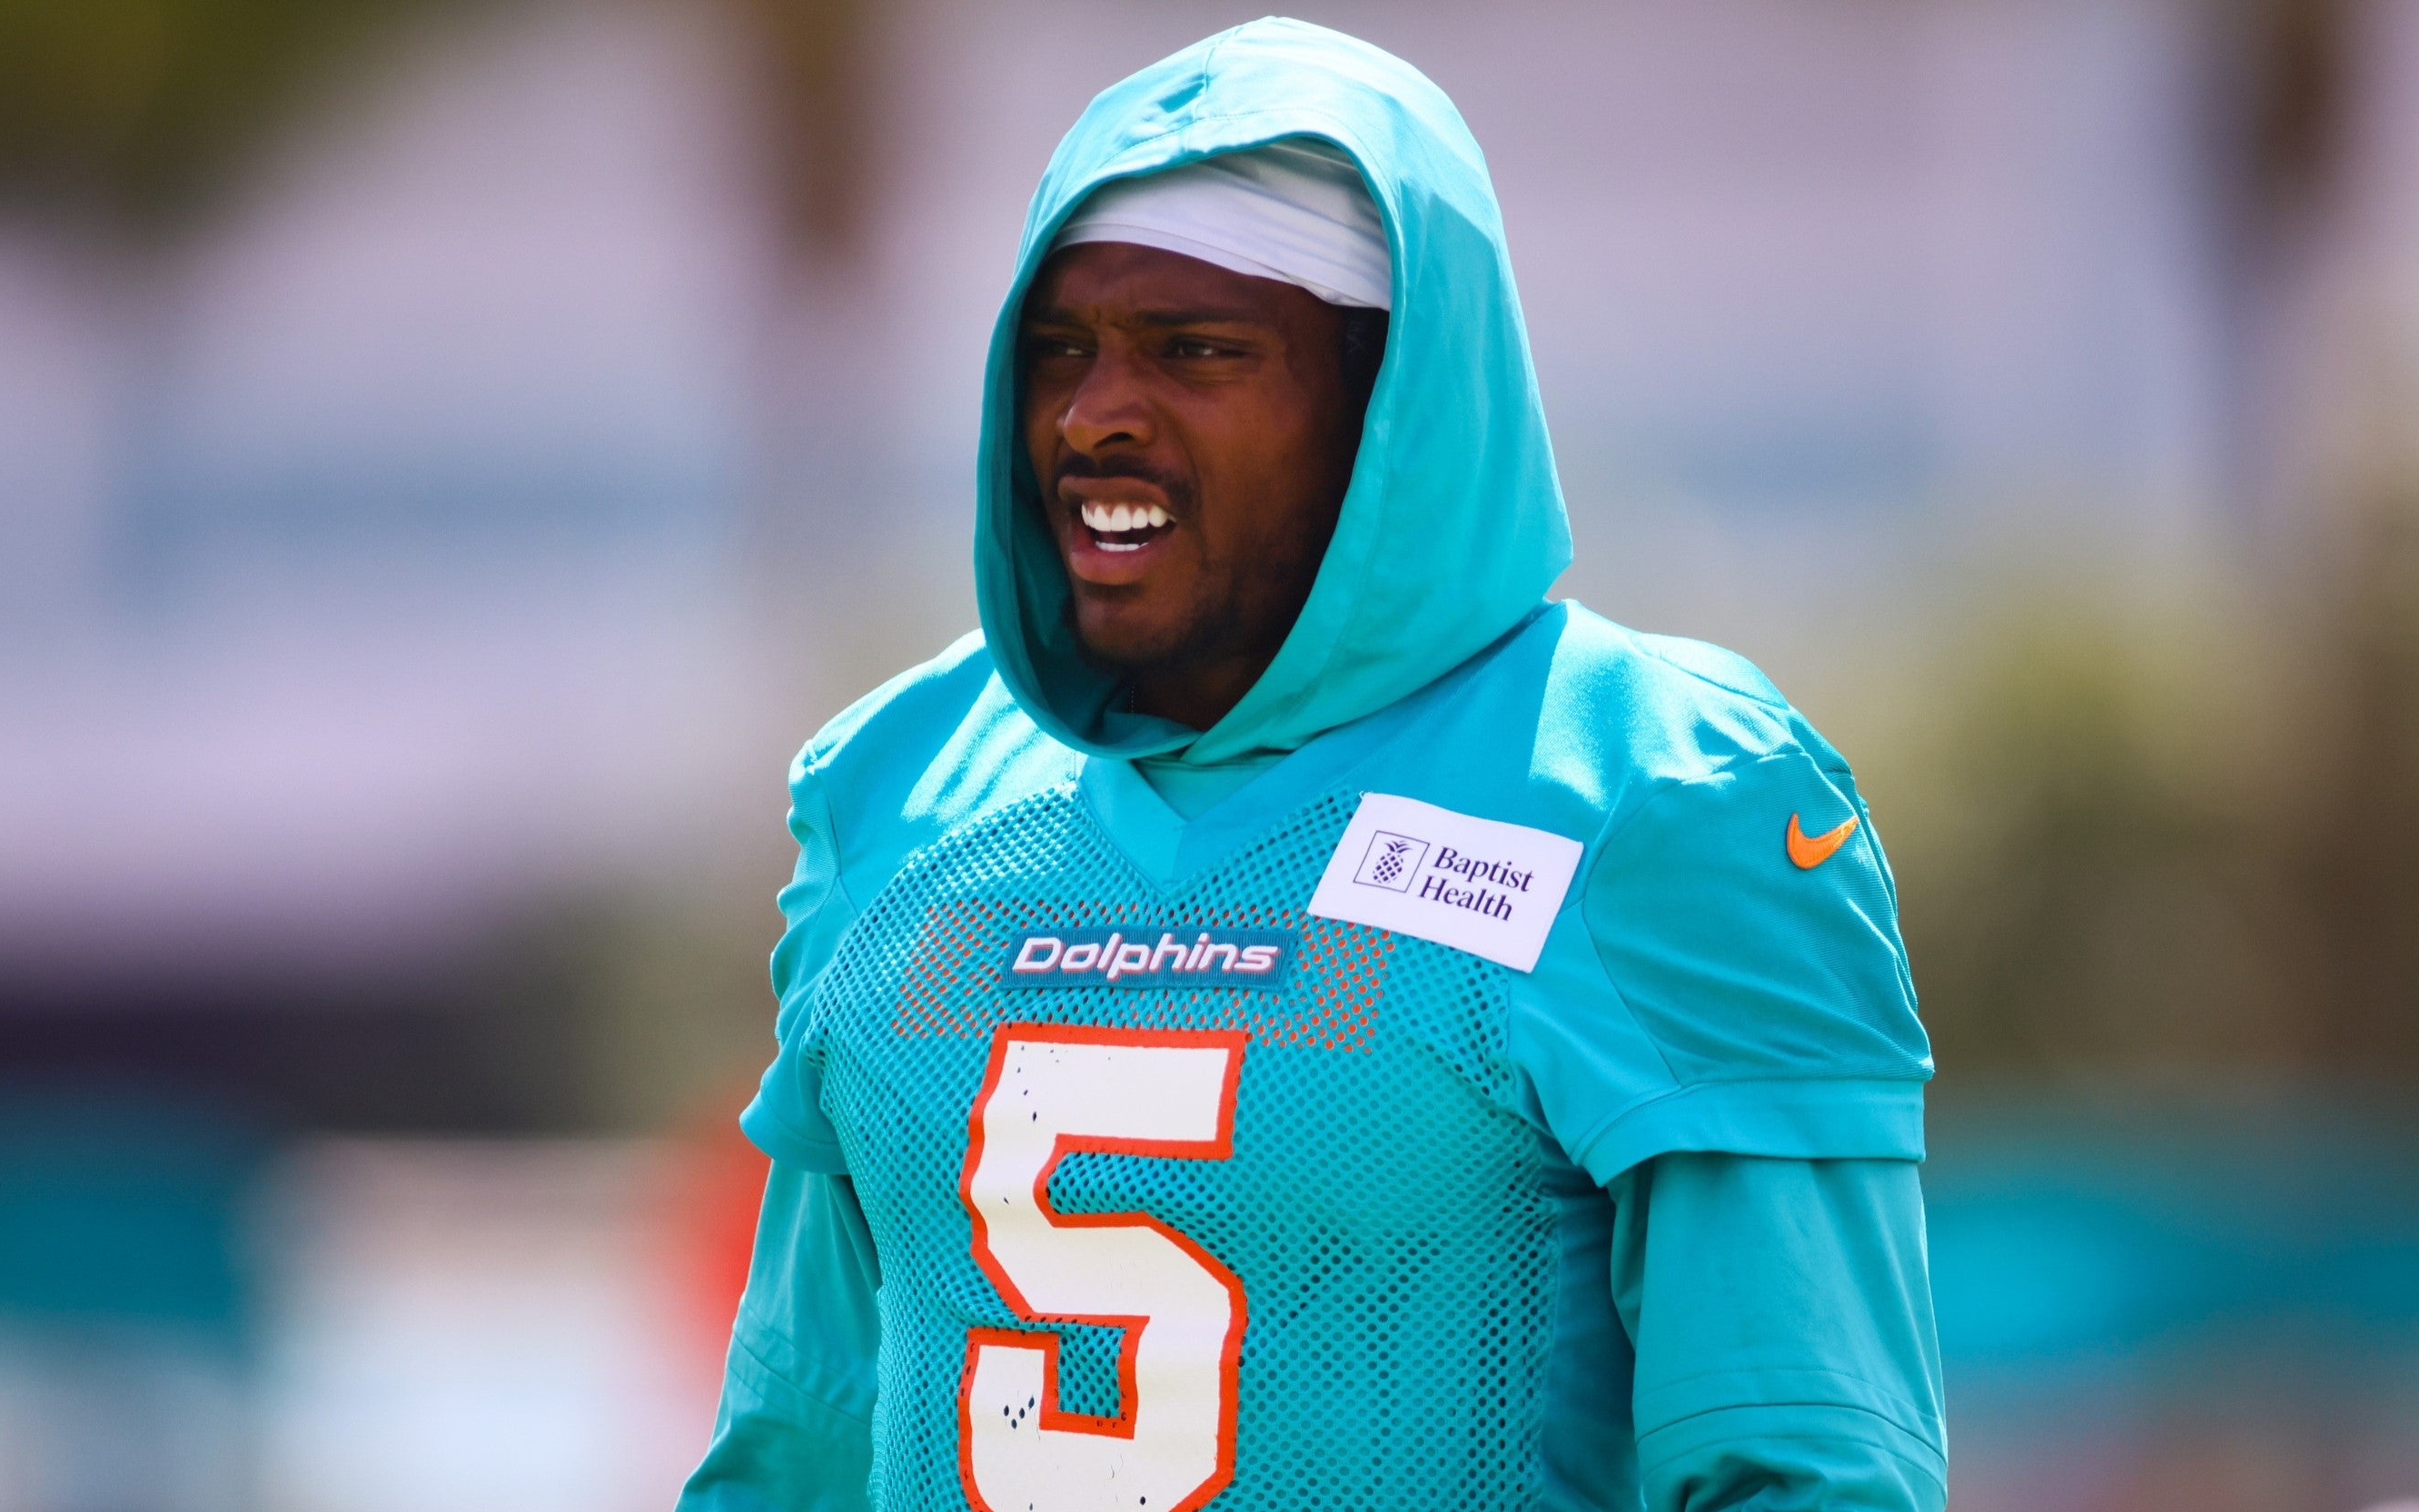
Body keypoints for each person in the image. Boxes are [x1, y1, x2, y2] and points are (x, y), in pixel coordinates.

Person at [679, 18, 1944, 1512]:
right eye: (1059, 348)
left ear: (1387, 405)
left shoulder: (1658, 793)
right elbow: (794, 1454)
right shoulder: (898, 790)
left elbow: (1804, 1470)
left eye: (1198, 349)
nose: (1095, 413)